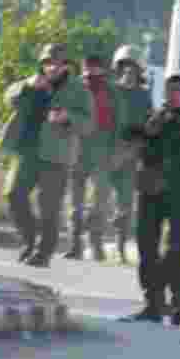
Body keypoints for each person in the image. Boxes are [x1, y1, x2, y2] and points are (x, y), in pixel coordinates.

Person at [2, 43, 93, 268]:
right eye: (48, 62)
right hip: (28, 150)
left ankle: (43, 253)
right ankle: (29, 238)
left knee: (49, 207)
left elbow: (89, 124)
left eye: (58, 63)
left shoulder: (78, 90)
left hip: (57, 155)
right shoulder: (32, 81)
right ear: (42, 63)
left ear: (66, 66)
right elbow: (8, 98)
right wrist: (26, 86)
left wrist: (68, 117)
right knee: (13, 194)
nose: (52, 67)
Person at [123, 74, 180, 327]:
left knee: (176, 250)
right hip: (151, 190)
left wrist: (163, 122)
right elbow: (131, 134)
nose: (176, 95)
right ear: (165, 93)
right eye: (172, 90)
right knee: (147, 247)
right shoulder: (152, 117)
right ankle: (153, 304)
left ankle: (177, 302)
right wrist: (149, 124)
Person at [65, 55, 118, 261]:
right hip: (77, 148)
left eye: (96, 69)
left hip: (102, 150)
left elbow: (117, 122)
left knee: (100, 202)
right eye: (88, 70)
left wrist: (114, 151)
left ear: (102, 70)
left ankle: (96, 244)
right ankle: (74, 244)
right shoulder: (74, 88)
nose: (91, 74)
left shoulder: (111, 92)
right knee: (75, 202)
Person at [108, 44, 153, 264]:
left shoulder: (143, 97)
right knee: (96, 201)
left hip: (130, 156)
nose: (128, 72)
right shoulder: (109, 91)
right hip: (105, 154)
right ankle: (90, 243)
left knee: (125, 206)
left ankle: (119, 247)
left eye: (132, 68)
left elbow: (148, 128)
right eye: (124, 67)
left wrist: (131, 151)